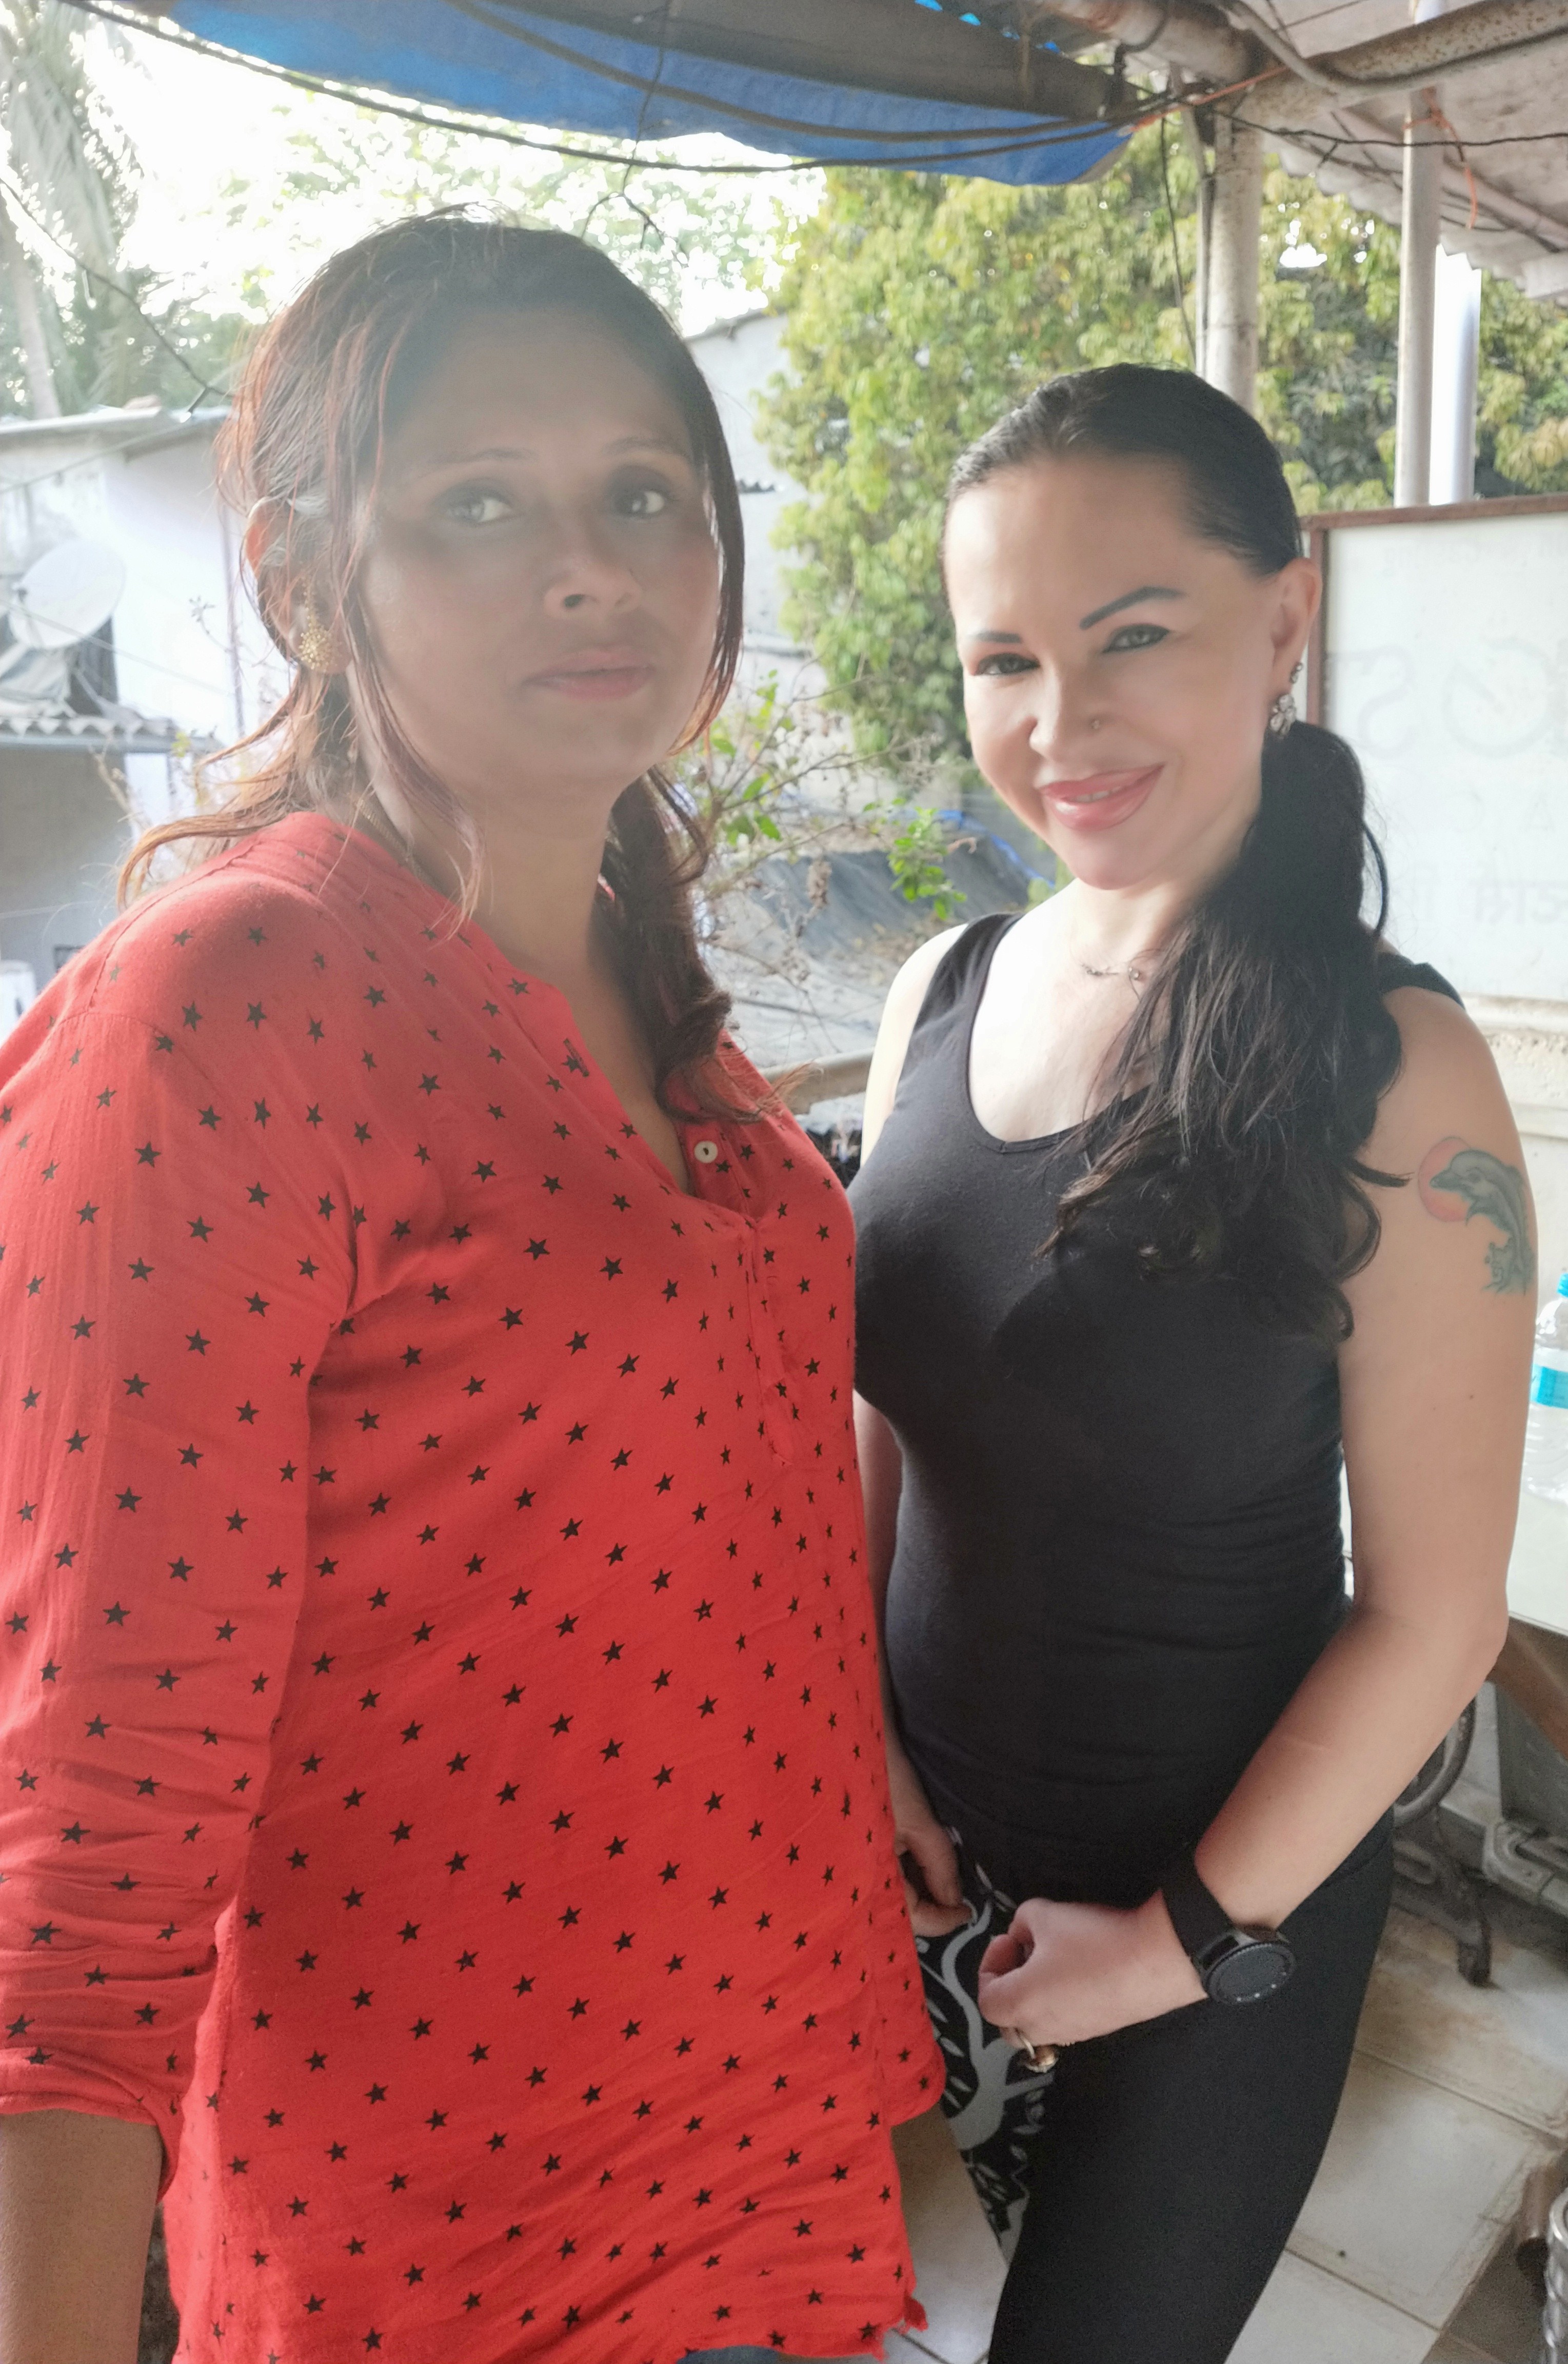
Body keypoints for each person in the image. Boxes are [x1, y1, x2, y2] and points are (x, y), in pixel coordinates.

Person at [0, 214, 937, 2364]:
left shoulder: (667, 1010)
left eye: (647, 496)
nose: (594, 568)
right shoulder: (231, 1008)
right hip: (451, 2243)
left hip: (782, 2134)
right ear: (301, 584)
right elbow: (86, 1847)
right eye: (482, 506)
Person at [849, 365, 1533, 2363]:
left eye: (1132, 636)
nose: (1058, 725)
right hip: (906, 1859)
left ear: (1284, 617)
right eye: (1004, 660)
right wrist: (858, 1741)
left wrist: (1179, 1945)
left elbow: (1438, 1615)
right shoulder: (941, 988)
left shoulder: (1396, 1070)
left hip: (1220, 1914)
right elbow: (878, 1419)